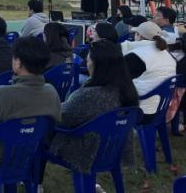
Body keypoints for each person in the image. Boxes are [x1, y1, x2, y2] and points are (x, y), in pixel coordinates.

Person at [0, 37, 61, 190]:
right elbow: (52, 123)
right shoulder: (51, 92)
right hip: (26, 160)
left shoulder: (4, 94)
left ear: (18, 62)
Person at [45, 39, 139, 179]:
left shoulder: (90, 95)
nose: (86, 63)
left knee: (39, 132)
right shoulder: (127, 90)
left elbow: (60, 119)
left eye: (88, 60)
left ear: (97, 65)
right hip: (115, 148)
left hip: (87, 150)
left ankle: (35, 184)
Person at [122, 21, 176, 122]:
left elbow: (117, 78)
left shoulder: (137, 55)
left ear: (139, 36)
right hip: (160, 109)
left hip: (141, 111)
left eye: (135, 33)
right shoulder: (167, 55)